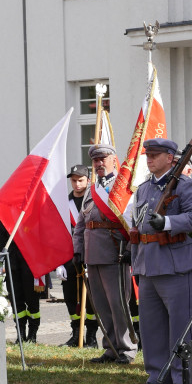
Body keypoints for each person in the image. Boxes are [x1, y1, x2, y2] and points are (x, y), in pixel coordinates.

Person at [127, 138, 192, 384]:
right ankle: (157, 374)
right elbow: (137, 227)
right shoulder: (143, 189)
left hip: (173, 263)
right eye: (147, 154)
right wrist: (134, 258)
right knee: (150, 325)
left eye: (155, 155)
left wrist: (169, 223)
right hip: (147, 263)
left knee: (181, 324)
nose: (149, 158)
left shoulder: (185, 185)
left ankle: (183, 376)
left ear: (171, 158)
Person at [73, 144, 138, 365]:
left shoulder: (122, 187)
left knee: (118, 303)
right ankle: (110, 348)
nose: (99, 164)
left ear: (113, 160)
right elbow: (81, 223)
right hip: (93, 254)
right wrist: (78, 250)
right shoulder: (91, 190)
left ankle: (127, 349)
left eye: (103, 159)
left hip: (114, 252)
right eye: (96, 161)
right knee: (101, 304)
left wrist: (130, 249)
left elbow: (132, 221)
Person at [59, 164, 99, 348]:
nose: (76, 184)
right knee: (70, 297)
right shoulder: (63, 203)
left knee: (92, 298)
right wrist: (57, 262)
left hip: (90, 253)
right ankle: (76, 334)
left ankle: (91, 336)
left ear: (88, 180)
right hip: (68, 256)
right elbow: (56, 232)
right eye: (73, 180)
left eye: (80, 180)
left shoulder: (94, 200)